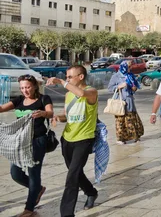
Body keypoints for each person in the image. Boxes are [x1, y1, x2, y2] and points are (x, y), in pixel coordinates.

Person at [49, 65, 99, 216]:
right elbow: (67, 116)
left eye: (70, 77)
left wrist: (61, 82)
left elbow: (82, 94)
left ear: (81, 77)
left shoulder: (91, 92)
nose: (67, 79)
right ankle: (91, 192)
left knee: (71, 178)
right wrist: (58, 117)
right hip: (67, 139)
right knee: (75, 173)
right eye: (67, 77)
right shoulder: (68, 95)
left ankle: (66, 213)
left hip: (84, 139)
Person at [0, 75, 53, 217]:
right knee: (15, 173)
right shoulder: (19, 100)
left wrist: (43, 113)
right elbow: (1, 108)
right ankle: (38, 189)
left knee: (34, 174)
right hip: (20, 142)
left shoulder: (43, 99)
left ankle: (29, 209)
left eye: (28, 87)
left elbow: (50, 112)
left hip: (37, 141)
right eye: (22, 88)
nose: (25, 90)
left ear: (35, 86)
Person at [108, 60, 144, 145]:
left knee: (132, 118)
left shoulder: (130, 75)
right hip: (120, 101)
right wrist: (118, 86)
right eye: (129, 66)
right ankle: (121, 138)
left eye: (131, 66)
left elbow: (135, 87)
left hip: (129, 100)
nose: (130, 68)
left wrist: (134, 87)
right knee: (120, 120)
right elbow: (110, 88)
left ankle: (135, 136)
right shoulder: (116, 76)